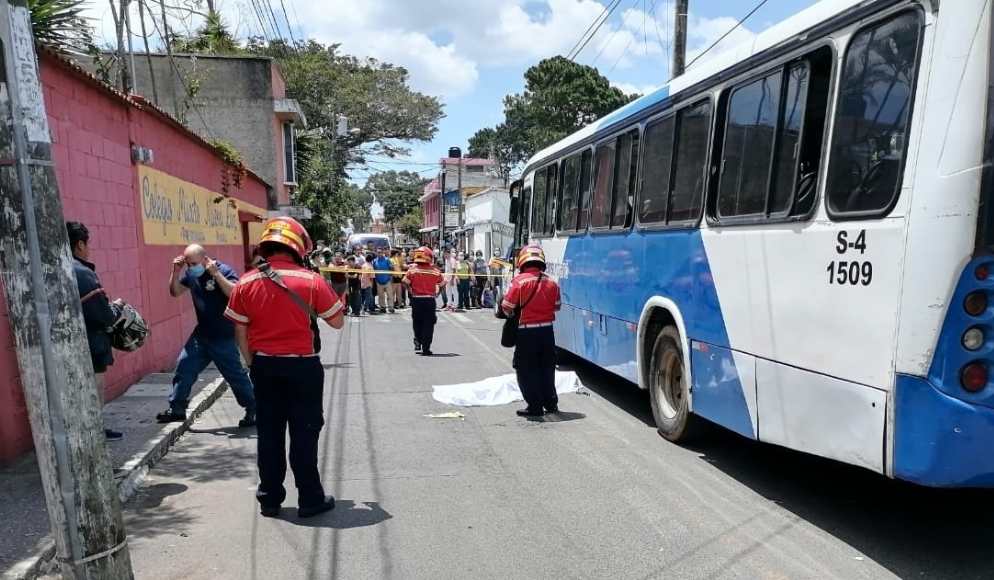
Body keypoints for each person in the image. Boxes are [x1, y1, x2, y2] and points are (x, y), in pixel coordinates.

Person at [224, 216, 345, 519]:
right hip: (303, 368)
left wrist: (252, 362)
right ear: (298, 248)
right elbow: (337, 321)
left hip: (264, 367)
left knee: (269, 433)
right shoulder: (311, 280)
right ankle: (310, 499)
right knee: (305, 432)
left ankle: (270, 499)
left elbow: (240, 329)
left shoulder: (246, 281)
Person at [156, 244, 256, 427]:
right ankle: (177, 409)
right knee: (184, 367)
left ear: (205, 259)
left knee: (236, 377)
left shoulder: (223, 270)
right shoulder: (192, 274)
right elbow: (175, 291)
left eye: (194, 263)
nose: (191, 267)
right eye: (188, 264)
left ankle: (253, 409)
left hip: (224, 335)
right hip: (201, 335)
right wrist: (175, 272)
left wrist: (216, 275)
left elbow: (236, 293)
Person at [67, 222, 123, 441]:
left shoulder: (52, 267)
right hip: (91, 343)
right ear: (80, 244)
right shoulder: (82, 273)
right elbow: (103, 314)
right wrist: (116, 307)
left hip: (67, 344)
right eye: (86, 244)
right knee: (94, 392)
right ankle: (95, 432)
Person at [501, 245, 562, 417]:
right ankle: (551, 404)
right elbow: (557, 306)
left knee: (526, 371)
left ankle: (534, 407)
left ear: (522, 261)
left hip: (526, 334)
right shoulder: (552, 282)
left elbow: (506, 307)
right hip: (547, 332)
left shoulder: (519, 281)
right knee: (547, 369)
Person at [403, 247, 445, 355]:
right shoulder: (435, 271)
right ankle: (426, 348)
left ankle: (417, 339)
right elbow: (443, 283)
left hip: (416, 300)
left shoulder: (412, 270)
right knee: (428, 324)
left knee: (417, 322)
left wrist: (410, 290)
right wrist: (438, 293)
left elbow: (404, 281)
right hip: (429, 300)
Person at [372, 249, 394, 314]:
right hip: (378, 281)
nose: (379, 254)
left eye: (381, 252)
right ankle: (382, 307)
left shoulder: (387, 260)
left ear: (383, 253)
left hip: (387, 280)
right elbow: (373, 271)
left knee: (389, 295)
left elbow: (391, 269)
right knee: (381, 296)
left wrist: (390, 277)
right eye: (378, 252)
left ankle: (391, 307)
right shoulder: (374, 261)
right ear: (377, 253)